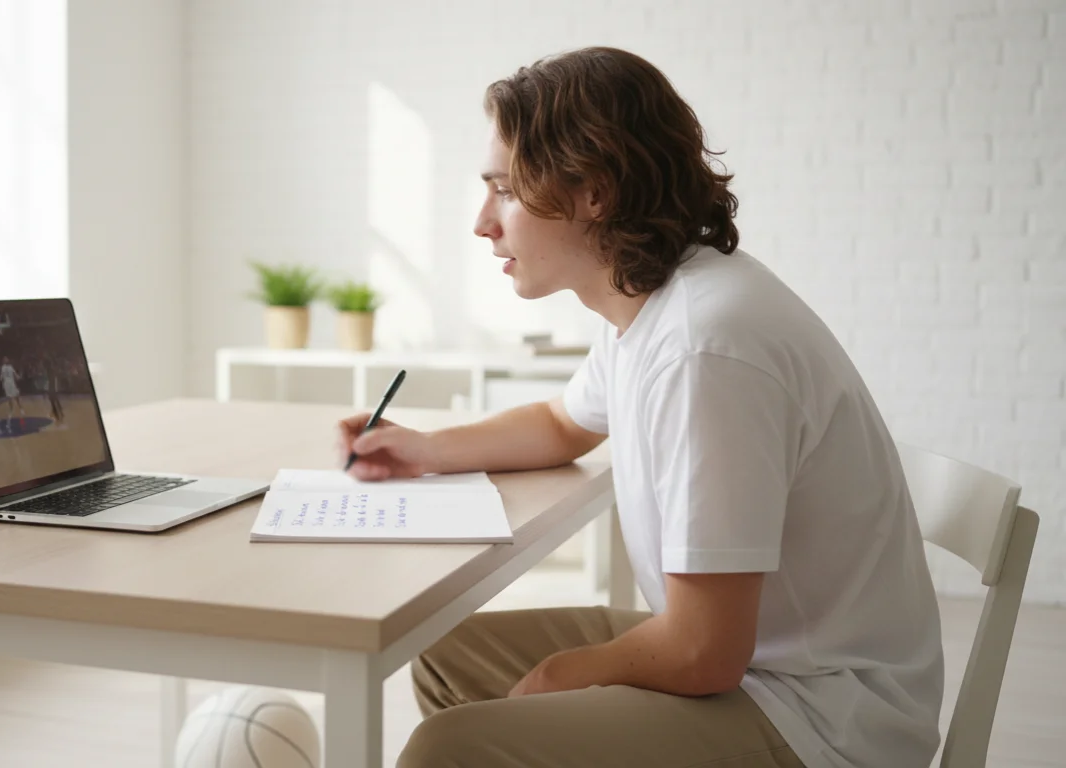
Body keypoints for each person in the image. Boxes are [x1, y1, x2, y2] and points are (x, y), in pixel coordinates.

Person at [338, 47, 943, 768]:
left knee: (451, 747)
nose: (481, 223)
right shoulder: (652, 301)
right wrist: (424, 448)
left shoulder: (706, 349)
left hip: (819, 715)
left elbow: (703, 651)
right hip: (759, 663)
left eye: (504, 190)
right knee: (445, 658)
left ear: (593, 192)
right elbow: (564, 423)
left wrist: (564, 674)